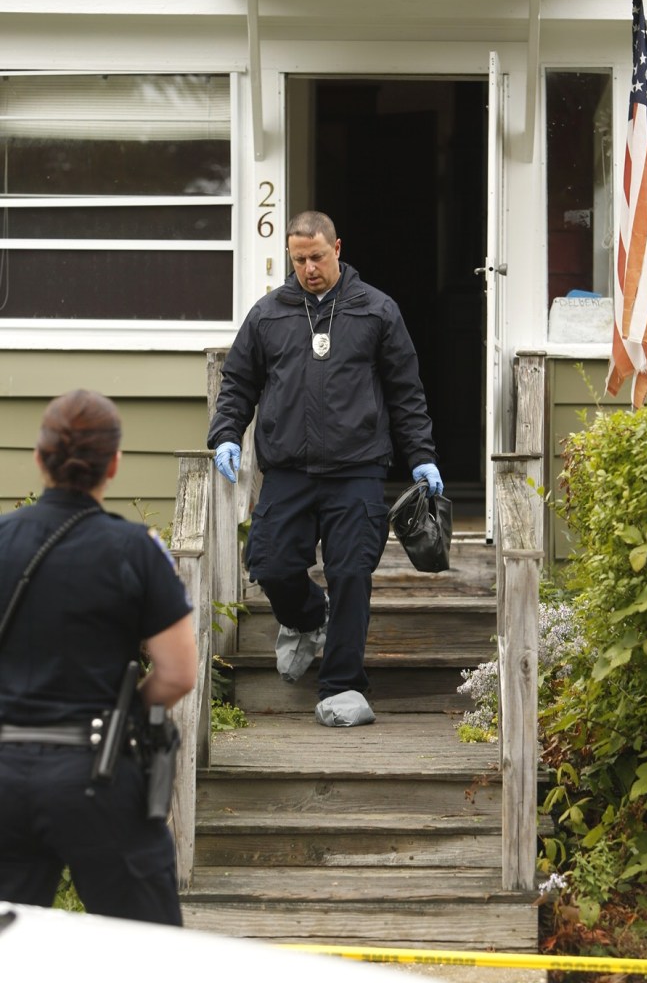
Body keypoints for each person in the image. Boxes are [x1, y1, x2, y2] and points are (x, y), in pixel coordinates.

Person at [208, 210, 443, 727]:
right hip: (288, 469)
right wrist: (226, 434)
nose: (308, 268)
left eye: (317, 257)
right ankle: (308, 617)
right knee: (269, 564)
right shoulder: (269, 314)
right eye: (298, 260)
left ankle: (342, 688)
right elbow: (238, 383)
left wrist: (422, 456)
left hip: (357, 469)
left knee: (352, 573)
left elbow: (406, 392)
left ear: (338, 249)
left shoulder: (377, 311)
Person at [0, 389, 197, 924]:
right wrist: (126, 707)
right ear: (114, 463)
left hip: (5, 773)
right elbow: (179, 673)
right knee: (148, 953)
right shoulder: (136, 550)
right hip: (98, 772)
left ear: (40, 459)